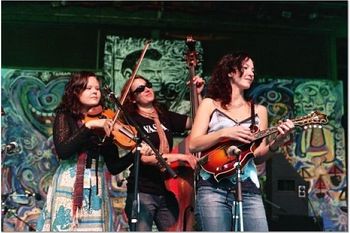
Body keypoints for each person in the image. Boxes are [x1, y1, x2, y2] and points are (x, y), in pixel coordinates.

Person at [189, 52, 295, 231]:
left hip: (248, 188)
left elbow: (259, 155)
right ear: (230, 72)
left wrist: (277, 142)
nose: (251, 73)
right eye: (245, 68)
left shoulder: (259, 111)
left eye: (253, 70)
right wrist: (226, 133)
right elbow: (194, 144)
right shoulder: (209, 104)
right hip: (212, 187)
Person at [36, 71, 133, 231]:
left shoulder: (105, 119)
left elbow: (114, 166)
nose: (95, 91)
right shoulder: (65, 117)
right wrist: (89, 126)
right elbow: (63, 151)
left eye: (97, 88)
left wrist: (135, 154)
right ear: (76, 91)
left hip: (97, 186)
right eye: (89, 88)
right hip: (69, 184)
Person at [119, 74, 204, 231]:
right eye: (140, 88)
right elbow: (145, 158)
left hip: (168, 190)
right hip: (143, 190)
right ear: (132, 98)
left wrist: (197, 93)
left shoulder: (164, 115)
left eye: (148, 85)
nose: (147, 89)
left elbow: (198, 122)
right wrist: (181, 156)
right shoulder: (132, 120)